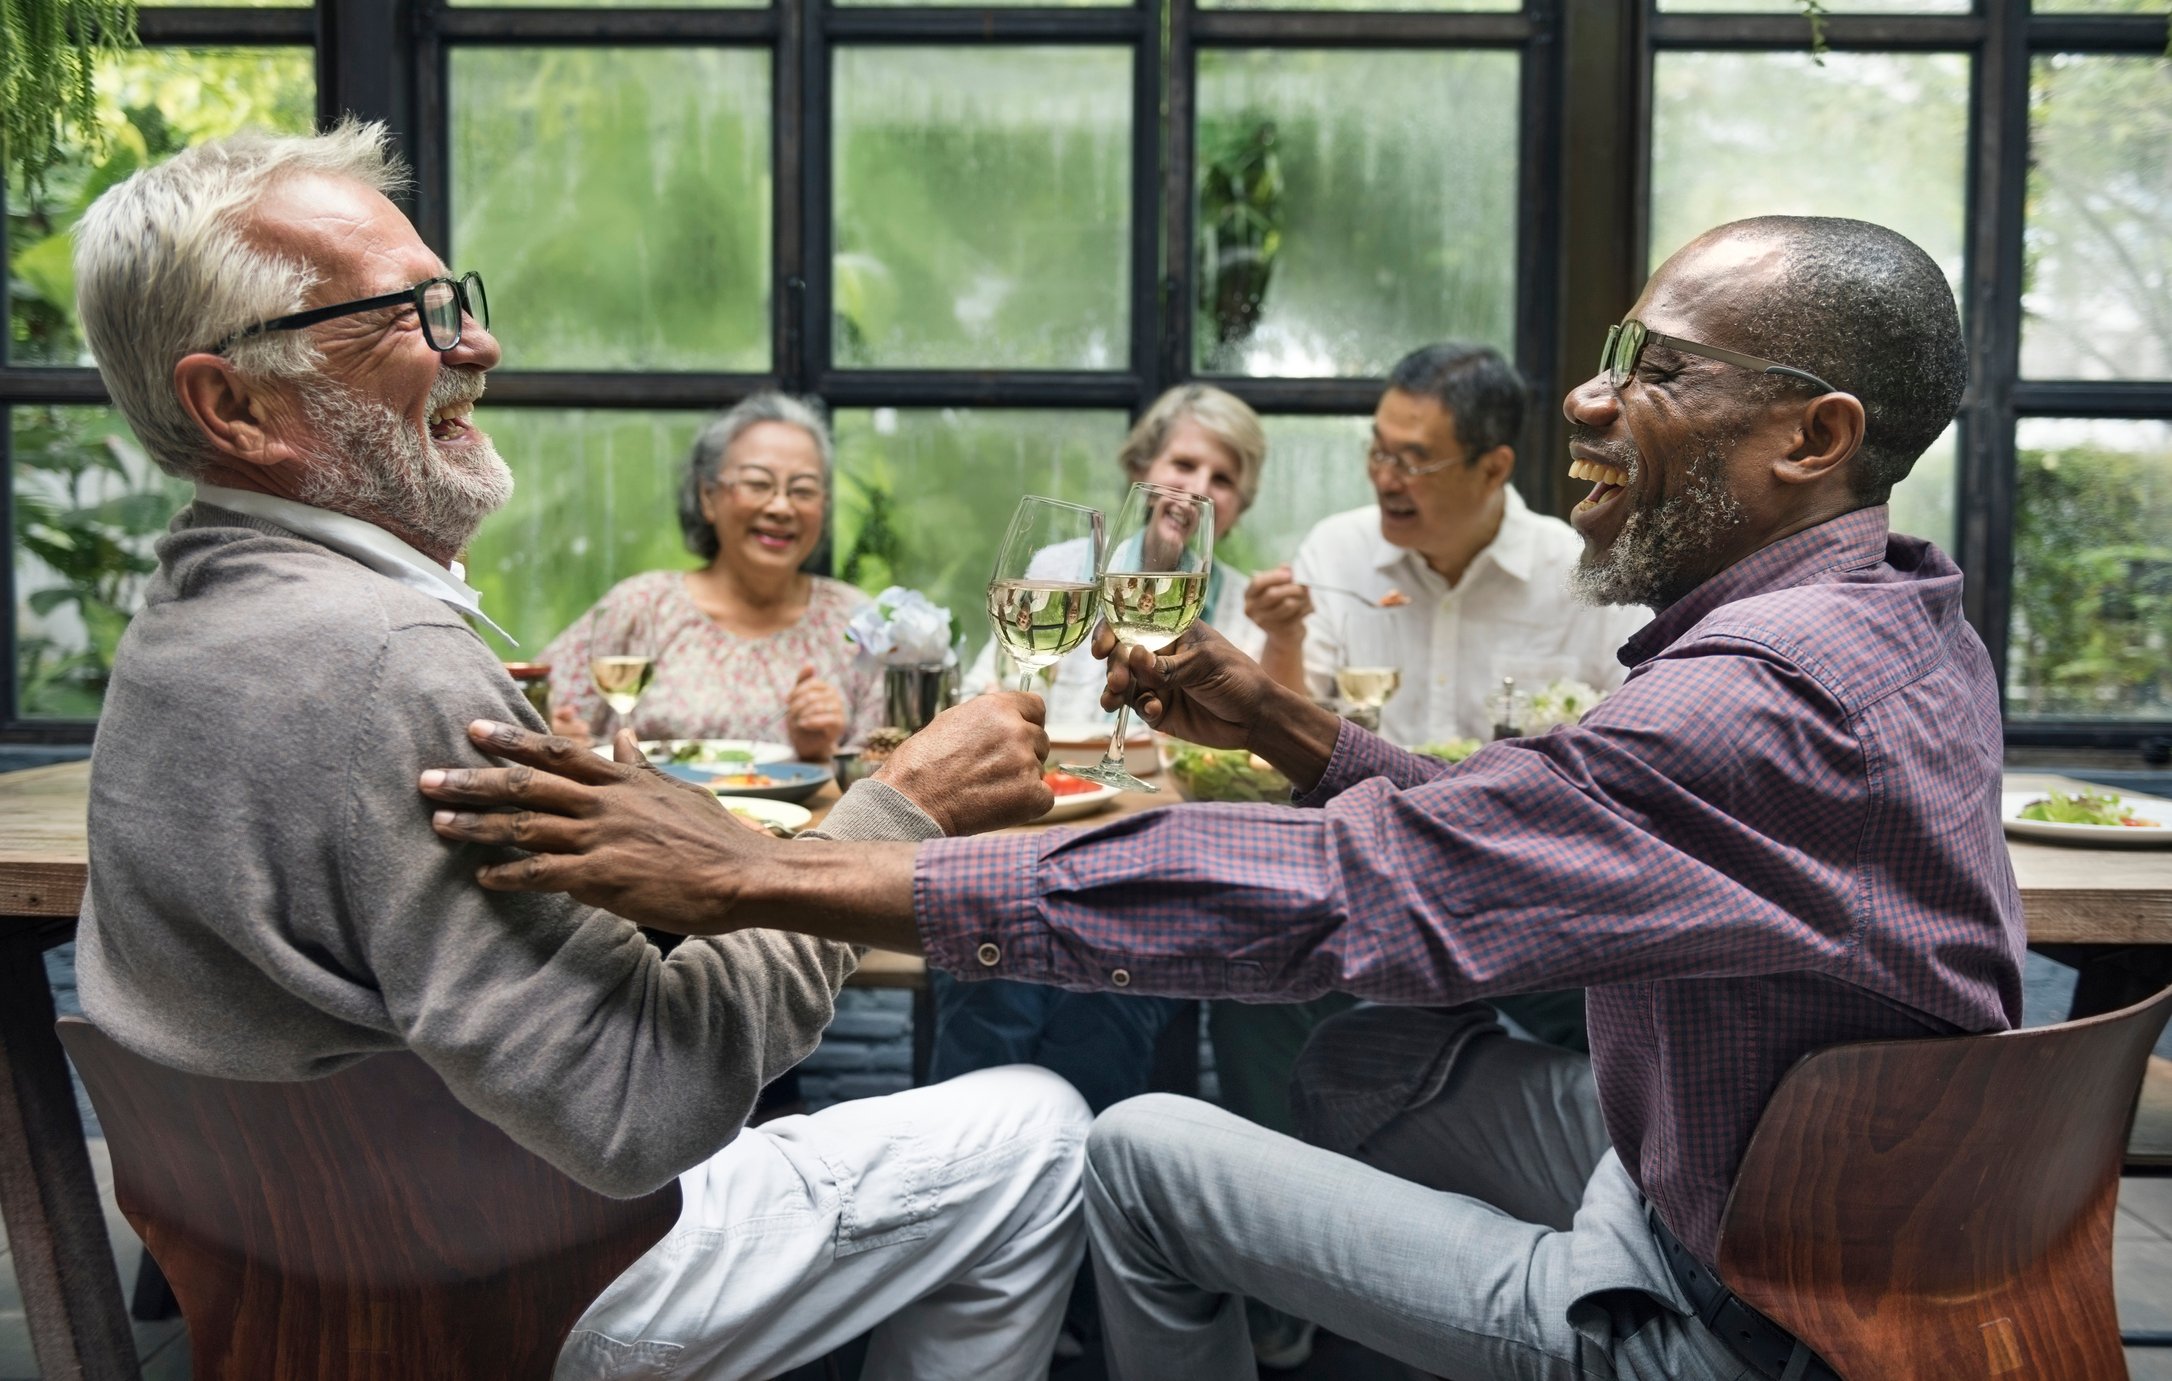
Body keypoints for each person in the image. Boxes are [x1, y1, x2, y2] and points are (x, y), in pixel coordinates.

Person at [423, 214, 2022, 1381]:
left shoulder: (1757, 696)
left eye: (1653, 369)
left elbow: (1347, 894)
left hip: (1724, 1312)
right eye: (1608, 358)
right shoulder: (1894, 616)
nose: (1589, 403)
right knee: (1349, 1068)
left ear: (1815, 437)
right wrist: (1292, 727)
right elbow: (1521, 828)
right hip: (1810, 1214)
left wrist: (761, 876)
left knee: (1134, 1144)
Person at [69, 122, 1091, 1381]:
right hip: (505, 1285)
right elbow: (637, 1111)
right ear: (235, 403)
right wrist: (896, 808)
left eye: (458, 301)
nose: (478, 343)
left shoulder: (185, 620)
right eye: (412, 316)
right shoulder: (391, 656)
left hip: (303, 1271)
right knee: (1040, 1128)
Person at [1246, 342, 1648, 752]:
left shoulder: (1587, 574)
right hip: (1360, 810)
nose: (1385, 480)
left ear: (1493, 469)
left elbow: (1631, 745)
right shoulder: (1337, 552)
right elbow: (1282, 745)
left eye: (1412, 462)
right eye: (1379, 452)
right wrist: (1283, 637)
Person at [541, 393, 878, 765]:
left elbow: (888, 774)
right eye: (757, 483)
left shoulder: (859, 623)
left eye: (802, 490)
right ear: (708, 496)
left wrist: (821, 753)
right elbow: (537, 711)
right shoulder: (642, 606)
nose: (781, 507)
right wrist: (558, 732)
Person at [965, 382, 1273, 728]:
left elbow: (1268, 740)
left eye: (1223, 480)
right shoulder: (1058, 568)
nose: (1198, 490)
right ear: (1142, 468)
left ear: (1238, 506)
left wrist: (1288, 637)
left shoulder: (1254, 611)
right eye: (1184, 464)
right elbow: (980, 687)